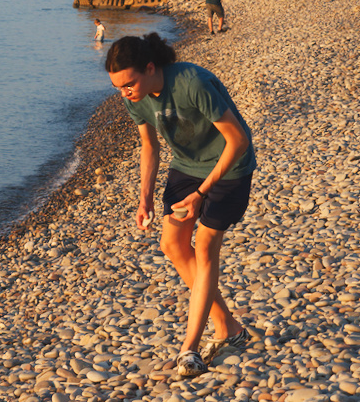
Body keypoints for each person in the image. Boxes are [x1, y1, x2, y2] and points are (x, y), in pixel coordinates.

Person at [105, 32, 256, 377]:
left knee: (204, 247)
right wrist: (144, 198)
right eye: (118, 87)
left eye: (128, 84)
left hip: (230, 165)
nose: (125, 93)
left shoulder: (192, 83)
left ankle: (190, 348)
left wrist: (201, 192)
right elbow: (150, 146)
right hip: (187, 166)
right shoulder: (134, 98)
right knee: (172, 244)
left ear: (150, 68)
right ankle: (228, 327)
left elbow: (238, 140)